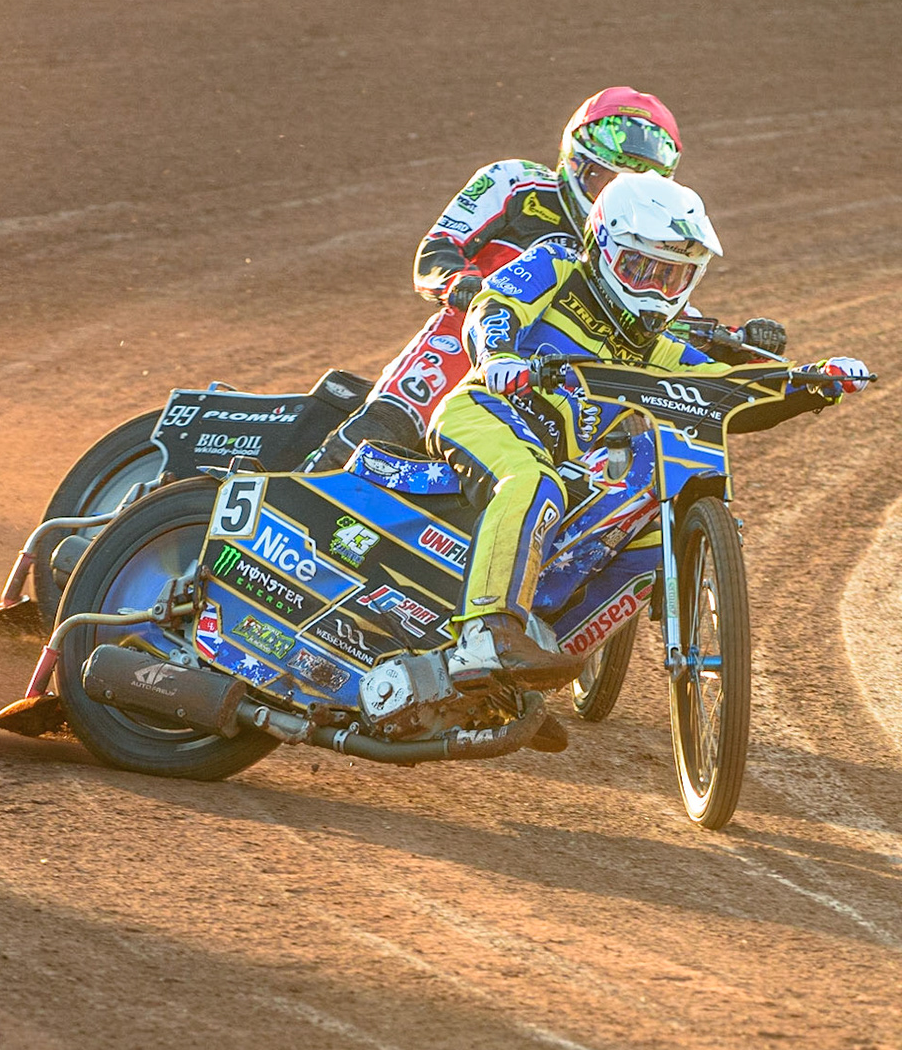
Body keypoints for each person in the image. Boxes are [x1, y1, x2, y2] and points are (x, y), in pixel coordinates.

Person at [429, 171, 866, 686]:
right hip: (482, 413)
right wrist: (499, 356)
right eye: (641, 269)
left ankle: (536, 666)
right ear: (603, 248)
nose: (657, 291)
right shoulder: (558, 265)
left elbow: (730, 394)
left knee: (653, 538)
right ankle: (486, 635)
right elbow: (494, 305)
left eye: (673, 277)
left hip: (564, 460)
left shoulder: (660, 350)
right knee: (531, 481)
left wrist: (812, 384)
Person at [304, 88, 785, 470]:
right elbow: (438, 248)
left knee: (642, 423)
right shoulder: (515, 182)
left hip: (573, 365)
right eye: (604, 179)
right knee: (412, 395)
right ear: (575, 161)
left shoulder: (647, 239)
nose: (609, 196)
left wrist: (736, 343)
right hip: (480, 335)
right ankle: (318, 478)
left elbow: (666, 312)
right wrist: (463, 284)